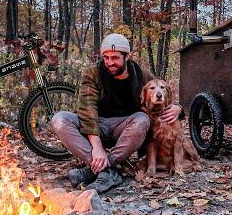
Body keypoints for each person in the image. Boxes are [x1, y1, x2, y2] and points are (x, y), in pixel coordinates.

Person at [51, 33, 184, 193]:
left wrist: (178, 108)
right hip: (96, 125)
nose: (109, 62)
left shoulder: (141, 74)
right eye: (106, 57)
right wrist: (97, 147)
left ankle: (103, 166)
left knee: (142, 119)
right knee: (59, 119)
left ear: (126, 56)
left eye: (115, 58)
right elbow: (87, 109)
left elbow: (161, 90)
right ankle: (106, 170)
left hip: (125, 128)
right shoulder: (93, 74)